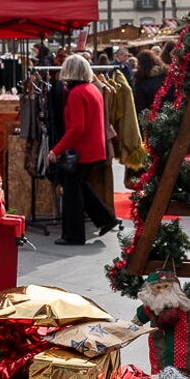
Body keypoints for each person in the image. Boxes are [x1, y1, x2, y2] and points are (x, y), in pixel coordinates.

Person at [48, 55, 119, 245]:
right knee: (80, 186)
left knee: (73, 191)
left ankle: (74, 235)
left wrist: (56, 149)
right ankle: (106, 219)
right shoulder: (93, 89)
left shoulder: (76, 93)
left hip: (82, 151)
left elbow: (77, 127)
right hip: (94, 149)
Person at [132, 49, 168, 115]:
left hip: (150, 119)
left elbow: (139, 106)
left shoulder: (140, 81)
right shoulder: (165, 75)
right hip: (169, 115)